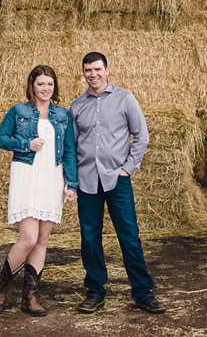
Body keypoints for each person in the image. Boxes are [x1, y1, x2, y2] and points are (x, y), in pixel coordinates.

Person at [70, 51, 166, 315]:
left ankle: (143, 293)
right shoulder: (77, 106)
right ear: (83, 73)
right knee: (90, 238)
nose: (93, 74)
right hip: (87, 181)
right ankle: (95, 292)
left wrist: (128, 169)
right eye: (88, 70)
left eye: (98, 69)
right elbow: (73, 146)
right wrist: (71, 180)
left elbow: (141, 135)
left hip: (117, 180)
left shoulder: (125, 98)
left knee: (129, 236)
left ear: (107, 70)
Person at [0, 64, 78, 316]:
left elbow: (69, 151)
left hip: (51, 177)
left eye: (50, 84)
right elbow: (0, 139)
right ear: (32, 86)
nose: (45, 89)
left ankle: (29, 298)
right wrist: (26, 143)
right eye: (41, 84)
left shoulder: (62, 115)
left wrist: (71, 184)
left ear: (55, 87)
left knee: (42, 240)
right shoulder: (18, 111)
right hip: (27, 174)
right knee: (27, 238)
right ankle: (0, 289)